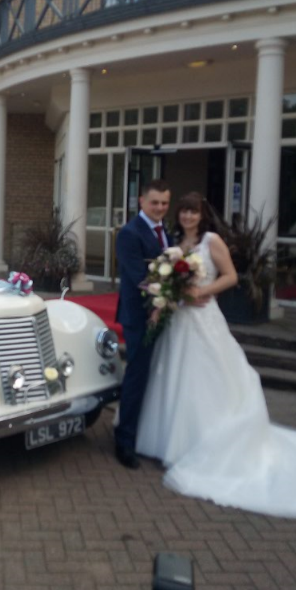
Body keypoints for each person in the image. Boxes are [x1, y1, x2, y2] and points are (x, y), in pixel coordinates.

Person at [136, 192, 296, 517]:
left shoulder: (211, 240)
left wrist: (202, 290)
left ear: (202, 215)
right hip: (180, 321)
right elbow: (168, 278)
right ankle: (171, 443)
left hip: (203, 318)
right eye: (184, 211)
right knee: (175, 378)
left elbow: (230, 277)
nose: (188, 217)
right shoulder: (173, 243)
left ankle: (200, 446)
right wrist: (169, 293)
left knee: (205, 380)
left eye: (193, 212)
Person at [113, 179, 172, 469]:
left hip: (164, 313)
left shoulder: (166, 232)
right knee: (137, 374)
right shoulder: (129, 233)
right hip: (140, 316)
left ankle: (150, 435)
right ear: (141, 202)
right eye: (154, 203)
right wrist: (165, 297)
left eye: (164, 203)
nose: (160, 208)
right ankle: (124, 440)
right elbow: (139, 276)